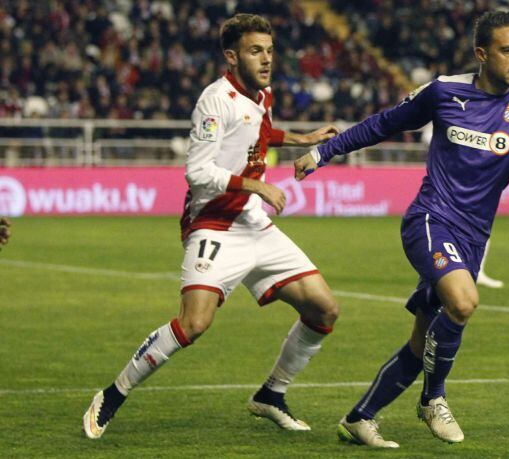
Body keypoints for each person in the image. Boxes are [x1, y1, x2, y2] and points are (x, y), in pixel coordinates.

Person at [295, 10, 509, 447]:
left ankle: (360, 418)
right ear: (481, 54)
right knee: (465, 303)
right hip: (431, 220)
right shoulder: (443, 91)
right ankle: (433, 399)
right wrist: (324, 153)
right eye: (508, 50)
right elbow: (382, 124)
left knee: (422, 343)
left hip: (473, 238)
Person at [83, 13, 342, 439]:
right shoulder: (214, 100)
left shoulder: (262, 95)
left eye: (270, 51)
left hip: (252, 221)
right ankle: (113, 393)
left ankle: (271, 394)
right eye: (256, 51)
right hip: (214, 223)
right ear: (231, 55)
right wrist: (256, 185)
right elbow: (198, 172)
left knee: (324, 309)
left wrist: (302, 138)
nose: (266, 59)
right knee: (193, 324)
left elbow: (257, 133)